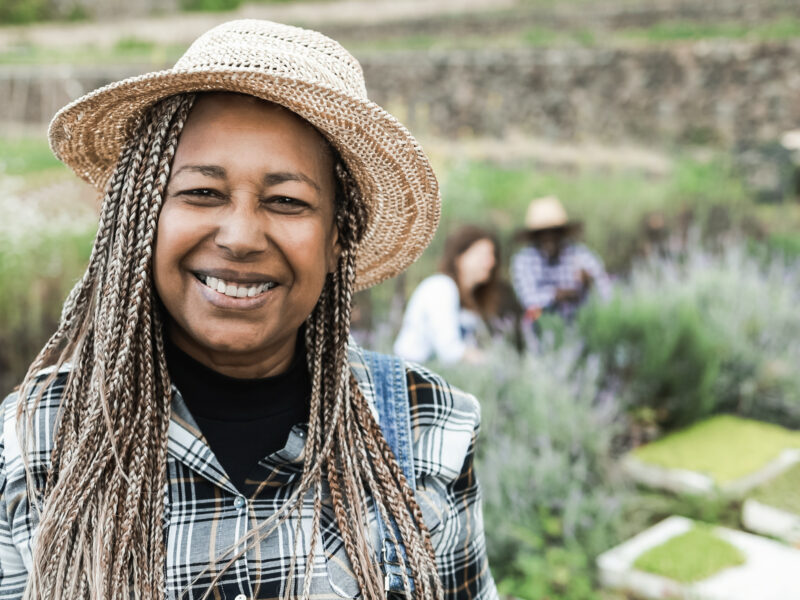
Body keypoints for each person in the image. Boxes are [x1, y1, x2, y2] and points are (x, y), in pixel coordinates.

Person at [0, 20, 498, 600]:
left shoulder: (424, 424)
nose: (240, 237)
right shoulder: (36, 437)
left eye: (287, 201)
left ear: (338, 237)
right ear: (144, 218)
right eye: (202, 193)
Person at [394, 225, 499, 365]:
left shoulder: (470, 297)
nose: (491, 262)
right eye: (482, 255)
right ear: (459, 257)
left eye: (491, 255)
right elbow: (449, 351)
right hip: (412, 374)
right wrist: (492, 363)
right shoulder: (441, 287)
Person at [511, 196, 610, 323]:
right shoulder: (524, 260)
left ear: (562, 232)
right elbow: (528, 301)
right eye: (542, 232)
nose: (549, 237)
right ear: (534, 236)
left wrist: (589, 284)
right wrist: (558, 295)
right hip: (542, 328)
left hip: (581, 325)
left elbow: (606, 294)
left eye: (554, 231)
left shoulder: (581, 255)